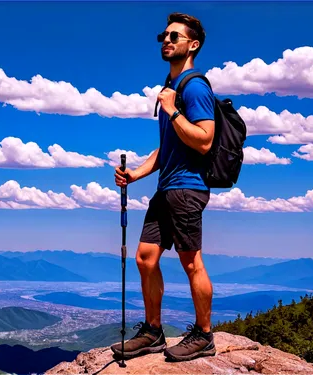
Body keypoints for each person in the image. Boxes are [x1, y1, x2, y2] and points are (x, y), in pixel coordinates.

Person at [111, 12, 216, 362]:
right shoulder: (171, 89)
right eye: (164, 37)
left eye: (174, 36)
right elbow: (167, 147)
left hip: (187, 189)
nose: (166, 41)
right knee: (145, 259)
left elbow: (203, 139)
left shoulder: (195, 87)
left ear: (193, 44)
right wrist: (136, 175)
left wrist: (172, 110)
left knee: (191, 263)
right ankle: (153, 331)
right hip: (166, 187)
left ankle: (204, 335)